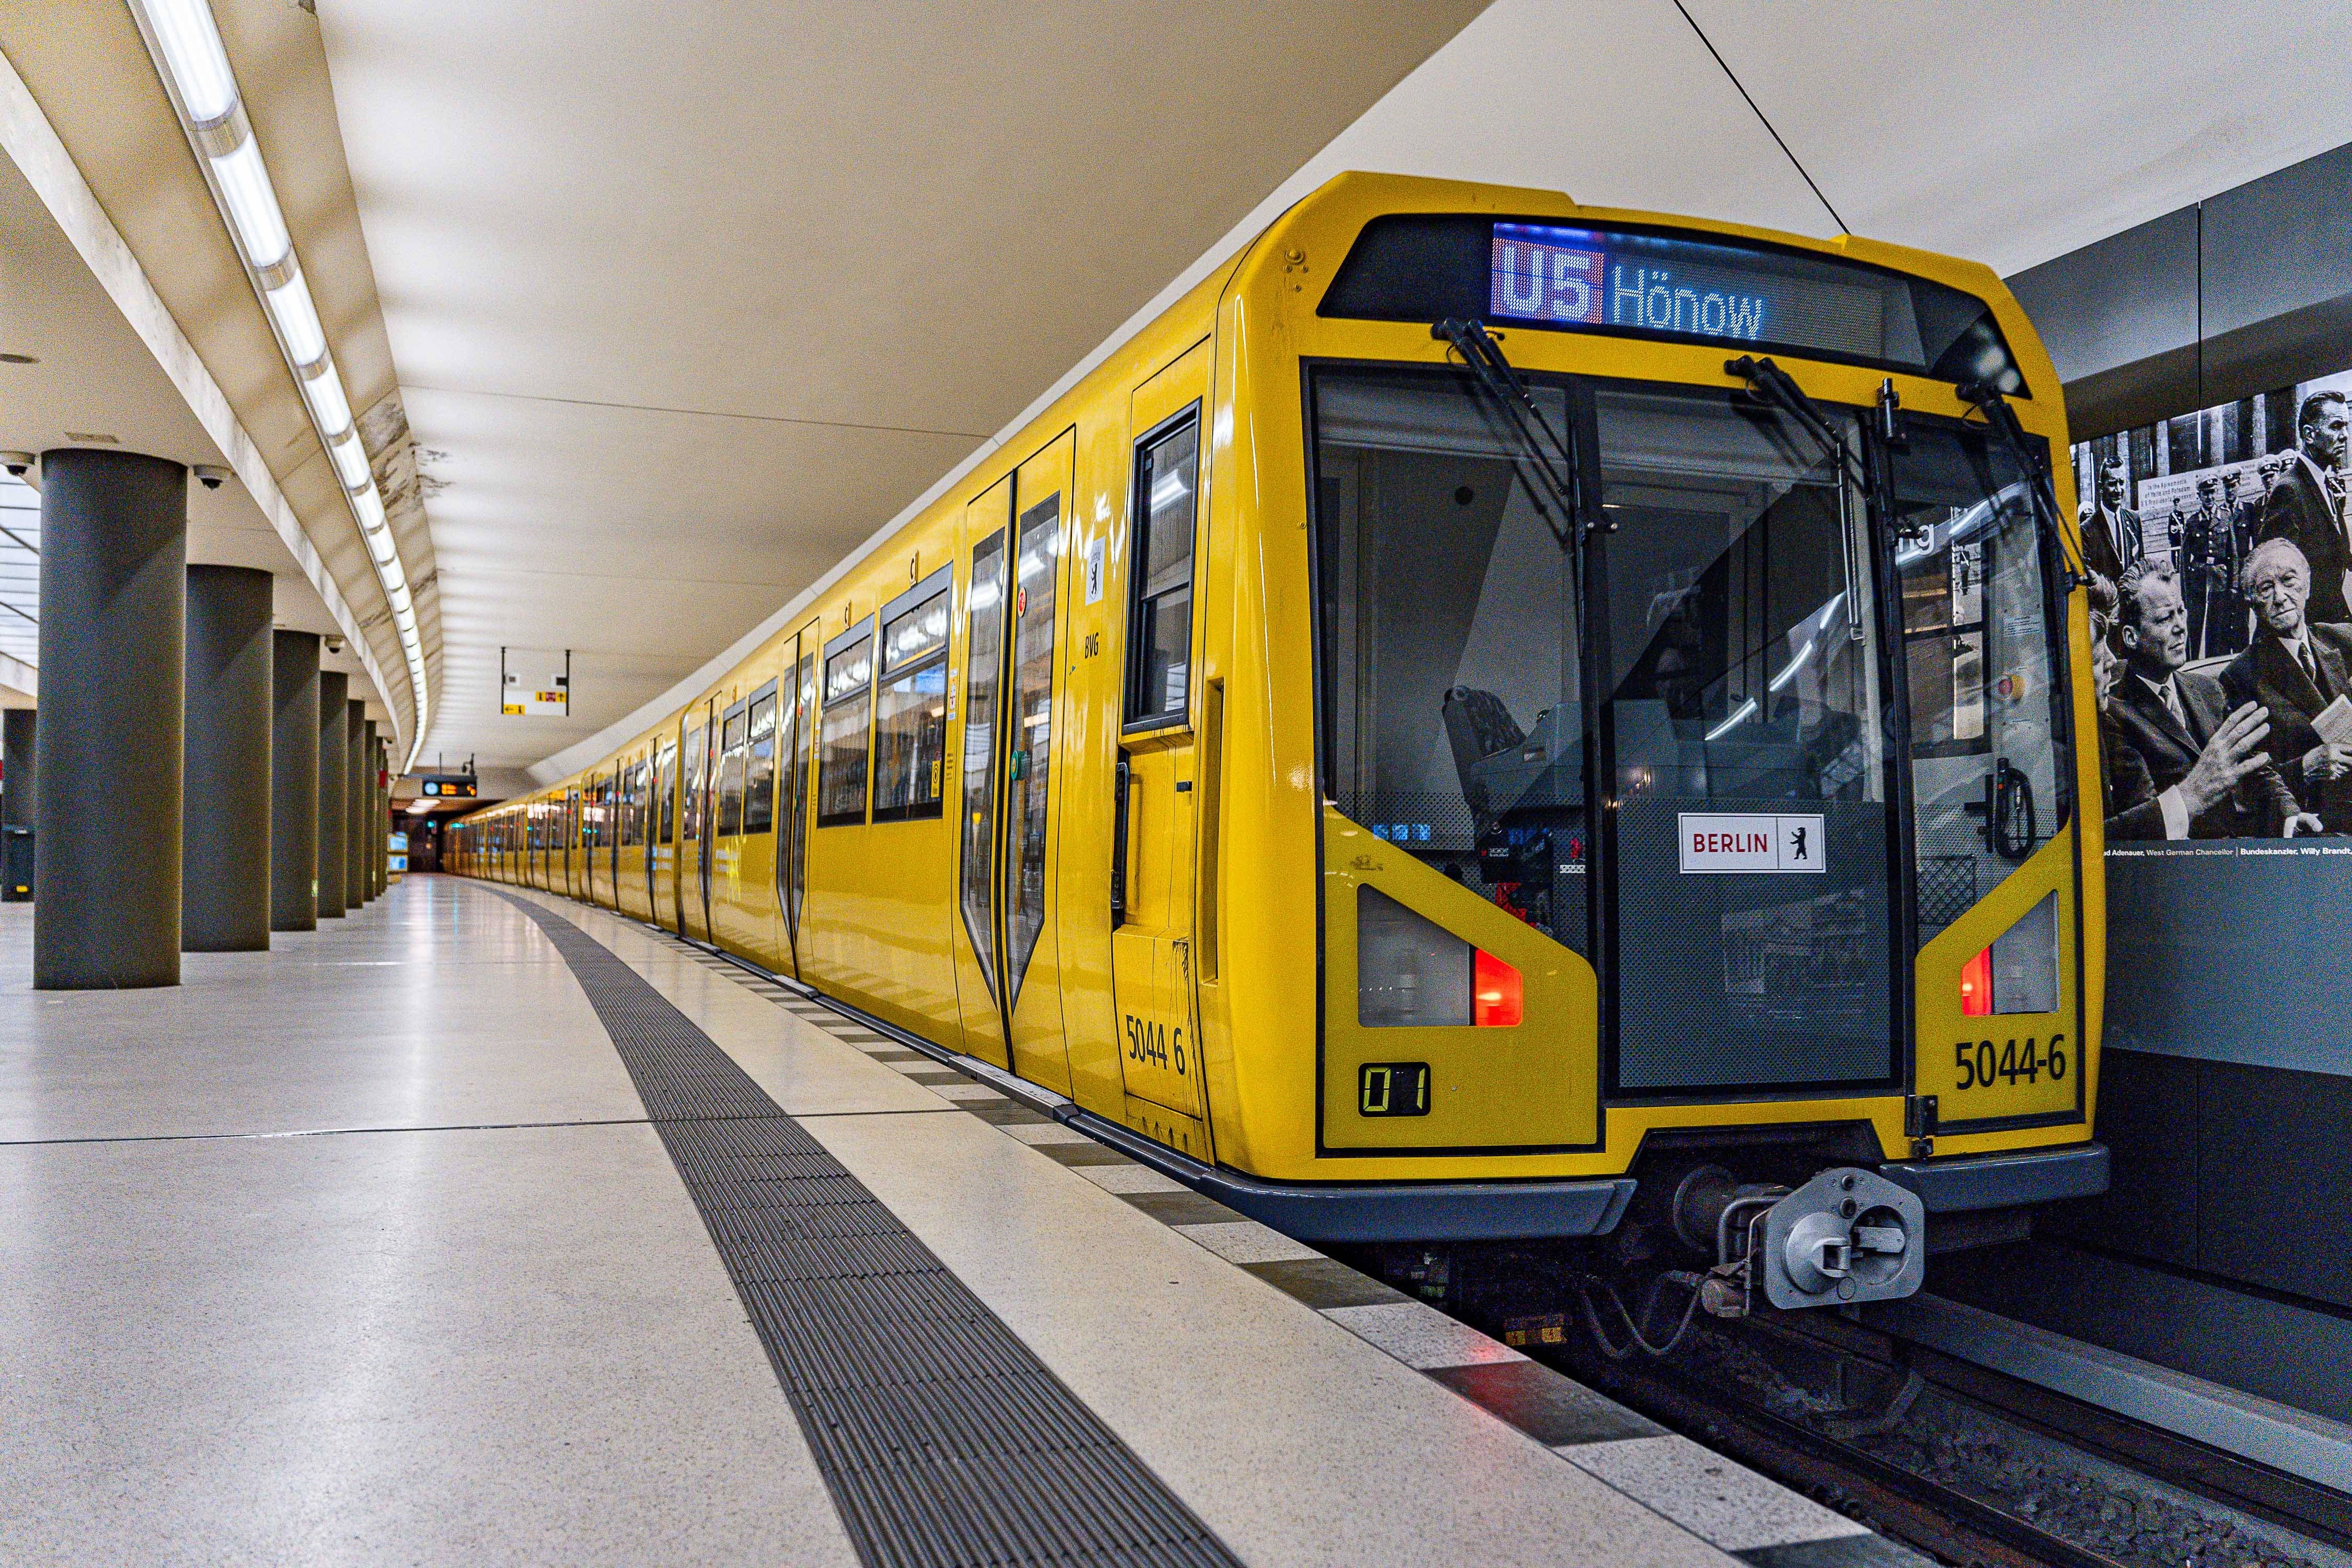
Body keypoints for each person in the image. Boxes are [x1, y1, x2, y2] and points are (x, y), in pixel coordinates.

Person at [2102, 561, 2313, 838]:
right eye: (2165, 619)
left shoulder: (2208, 689)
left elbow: (2255, 766)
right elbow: (2147, 821)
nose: (2181, 628)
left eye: (2181, 612)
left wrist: (2289, 816)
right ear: (2131, 637)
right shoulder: (2113, 712)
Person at [2220, 537, 2352, 824]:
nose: (2280, 597)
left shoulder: (2343, 641)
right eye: (2267, 588)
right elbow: (2249, 781)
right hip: (2316, 819)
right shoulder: (2240, 677)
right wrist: (2304, 767)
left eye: (2288, 581)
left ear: (2307, 585)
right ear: (2252, 603)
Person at [2258, 390, 2352, 622]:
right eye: (2336, 426)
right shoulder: (2289, 490)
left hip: (2332, 616)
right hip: (2313, 627)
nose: (2346, 436)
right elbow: (2274, 575)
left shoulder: (2321, 481)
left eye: (2346, 426)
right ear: (2309, 435)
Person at [2079, 458, 2141, 584]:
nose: (2118, 490)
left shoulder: (2134, 520)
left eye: (2122, 483)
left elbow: (2141, 566)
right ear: (2101, 487)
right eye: (2112, 484)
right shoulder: (2087, 530)